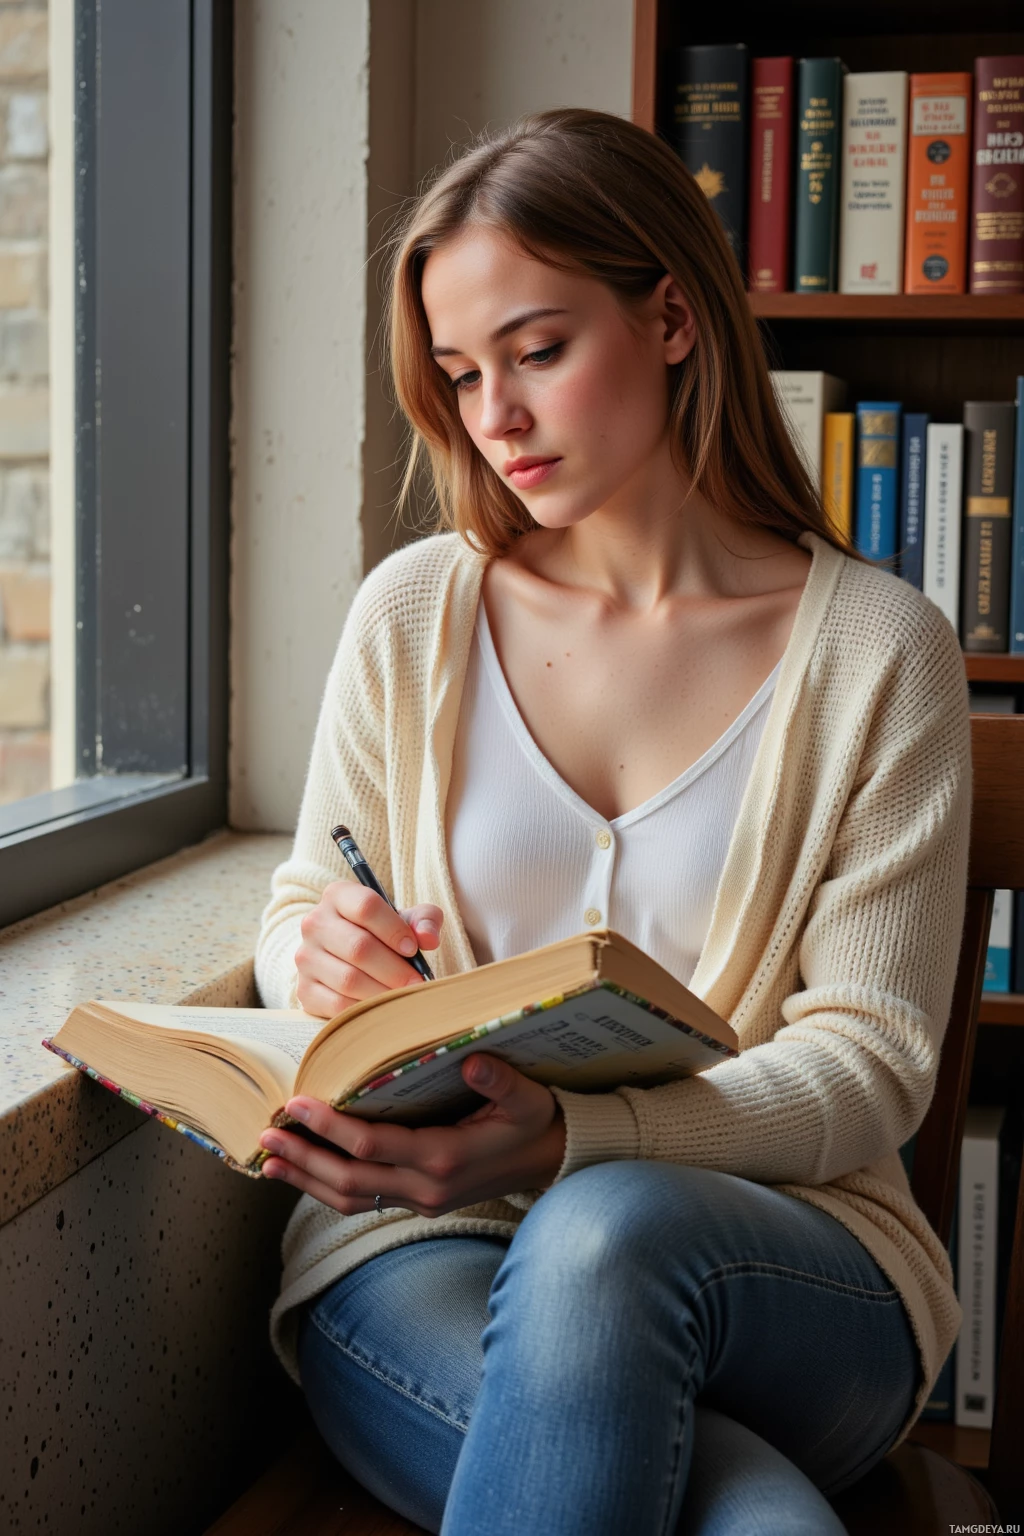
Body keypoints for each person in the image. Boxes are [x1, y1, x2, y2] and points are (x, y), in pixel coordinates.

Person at [253, 109, 970, 1535]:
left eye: (537, 350)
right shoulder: (414, 616)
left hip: (790, 1260)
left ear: (673, 318)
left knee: (606, 1228)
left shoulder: (882, 651)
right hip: (420, 1243)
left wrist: (574, 1144)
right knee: (760, 1526)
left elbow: (874, 1062)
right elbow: (297, 910)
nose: (493, 417)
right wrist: (312, 963)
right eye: (460, 374)